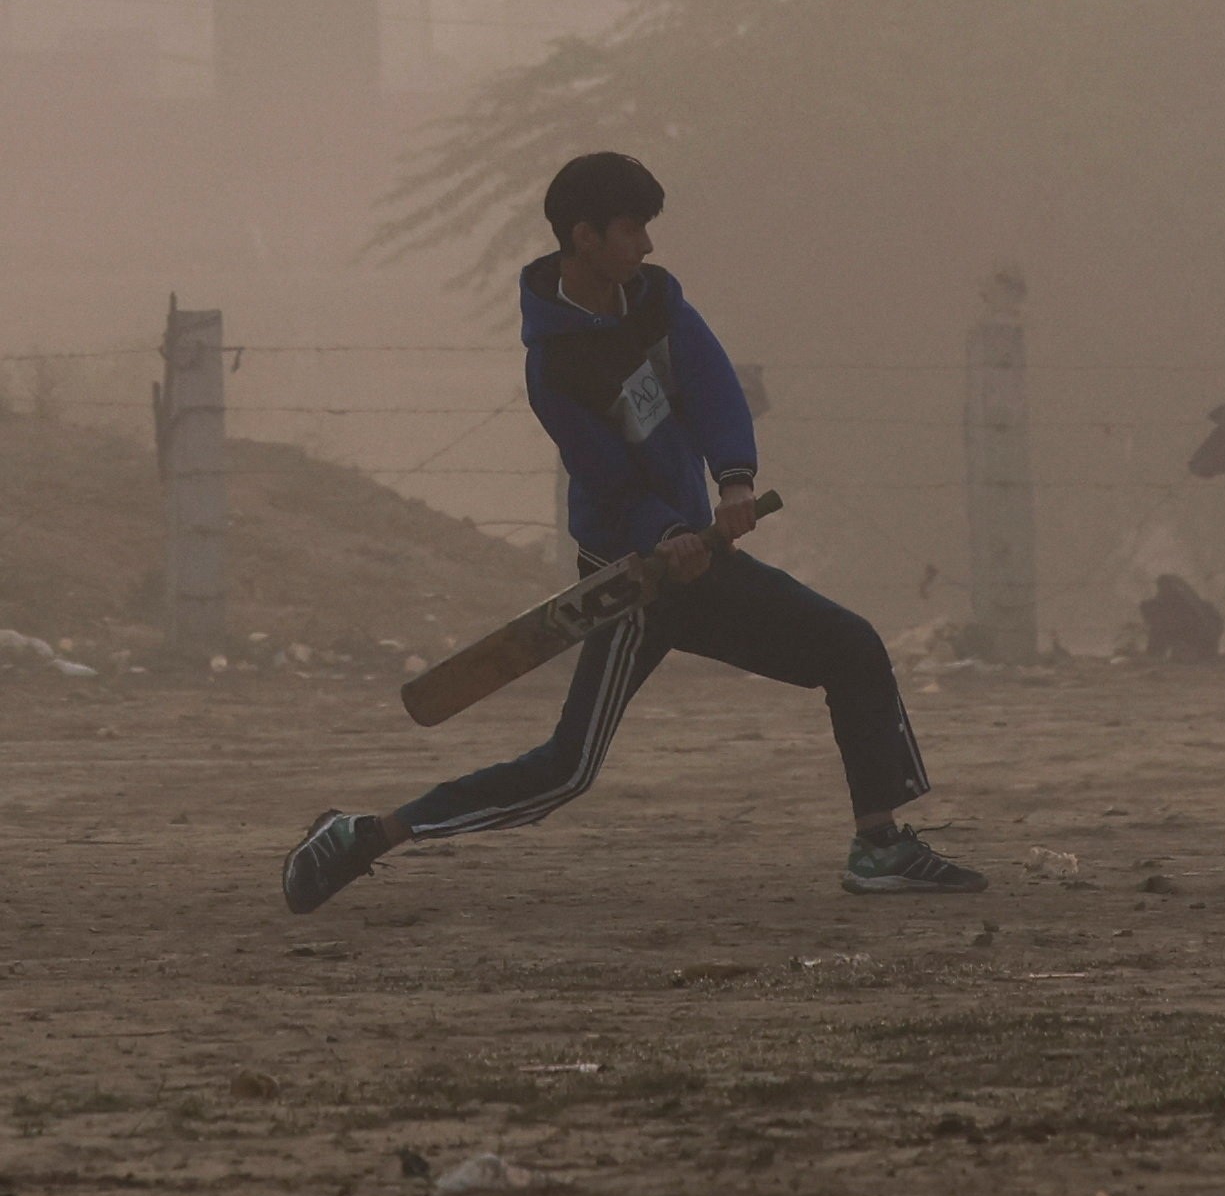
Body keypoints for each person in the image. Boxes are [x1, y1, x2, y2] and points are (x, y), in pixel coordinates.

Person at [281, 152, 982, 911]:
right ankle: (363, 835)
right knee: (567, 769)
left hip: (695, 565)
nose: (645, 245)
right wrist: (667, 533)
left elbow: (712, 384)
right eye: (630, 229)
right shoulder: (555, 366)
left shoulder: (653, 300)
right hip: (630, 576)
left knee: (849, 645)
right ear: (583, 237)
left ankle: (879, 845)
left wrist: (735, 478)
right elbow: (611, 481)